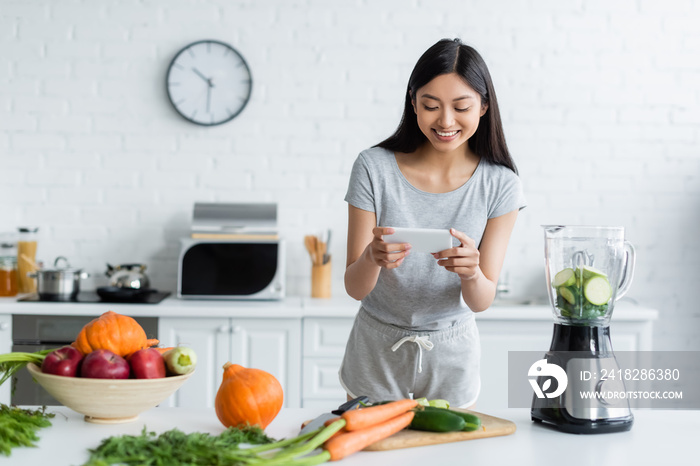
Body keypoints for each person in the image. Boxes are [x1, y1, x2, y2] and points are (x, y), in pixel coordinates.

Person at [340, 38, 526, 408]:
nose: (445, 121)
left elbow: (481, 301)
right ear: (413, 102)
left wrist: (472, 273)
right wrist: (371, 259)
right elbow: (354, 287)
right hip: (376, 346)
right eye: (430, 105)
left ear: (484, 106)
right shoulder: (373, 168)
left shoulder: (501, 184)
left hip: (452, 352)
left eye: (461, 107)